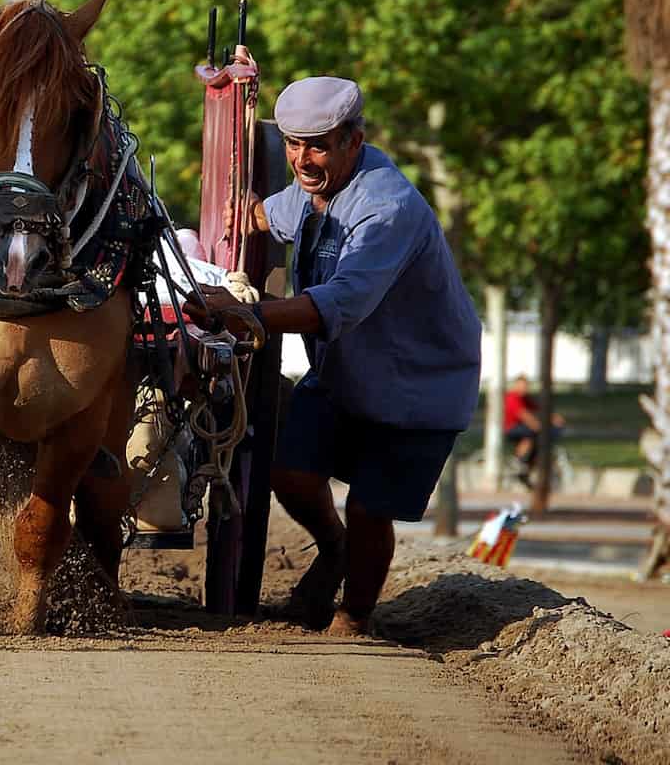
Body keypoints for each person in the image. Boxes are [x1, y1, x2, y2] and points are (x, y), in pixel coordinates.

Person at [188, 56, 482, 636]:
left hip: (417, 387)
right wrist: (239, 214)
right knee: (288, 470)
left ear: (354, 142)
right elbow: (266, 215)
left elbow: (340, 303)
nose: (302, 160)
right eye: (294, 145)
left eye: (318, 146)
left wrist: (245, 314)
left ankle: (354, 617)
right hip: (346, 376)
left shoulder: (385, 209)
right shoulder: (312, 189)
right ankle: (335, 548)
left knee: (370, 508)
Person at [503, 375, 564, 481]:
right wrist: (537, 425)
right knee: (530, 434)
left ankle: (528, 467)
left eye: (526, 386)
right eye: (522, 386)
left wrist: (554, 417)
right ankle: (517, 460)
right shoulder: (512, 397)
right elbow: (524, 415)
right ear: (516, 385)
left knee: (537, 444)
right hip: (511, 428)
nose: (524, 389)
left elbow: (540, 409)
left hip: (522, 427)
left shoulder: (525, 398)